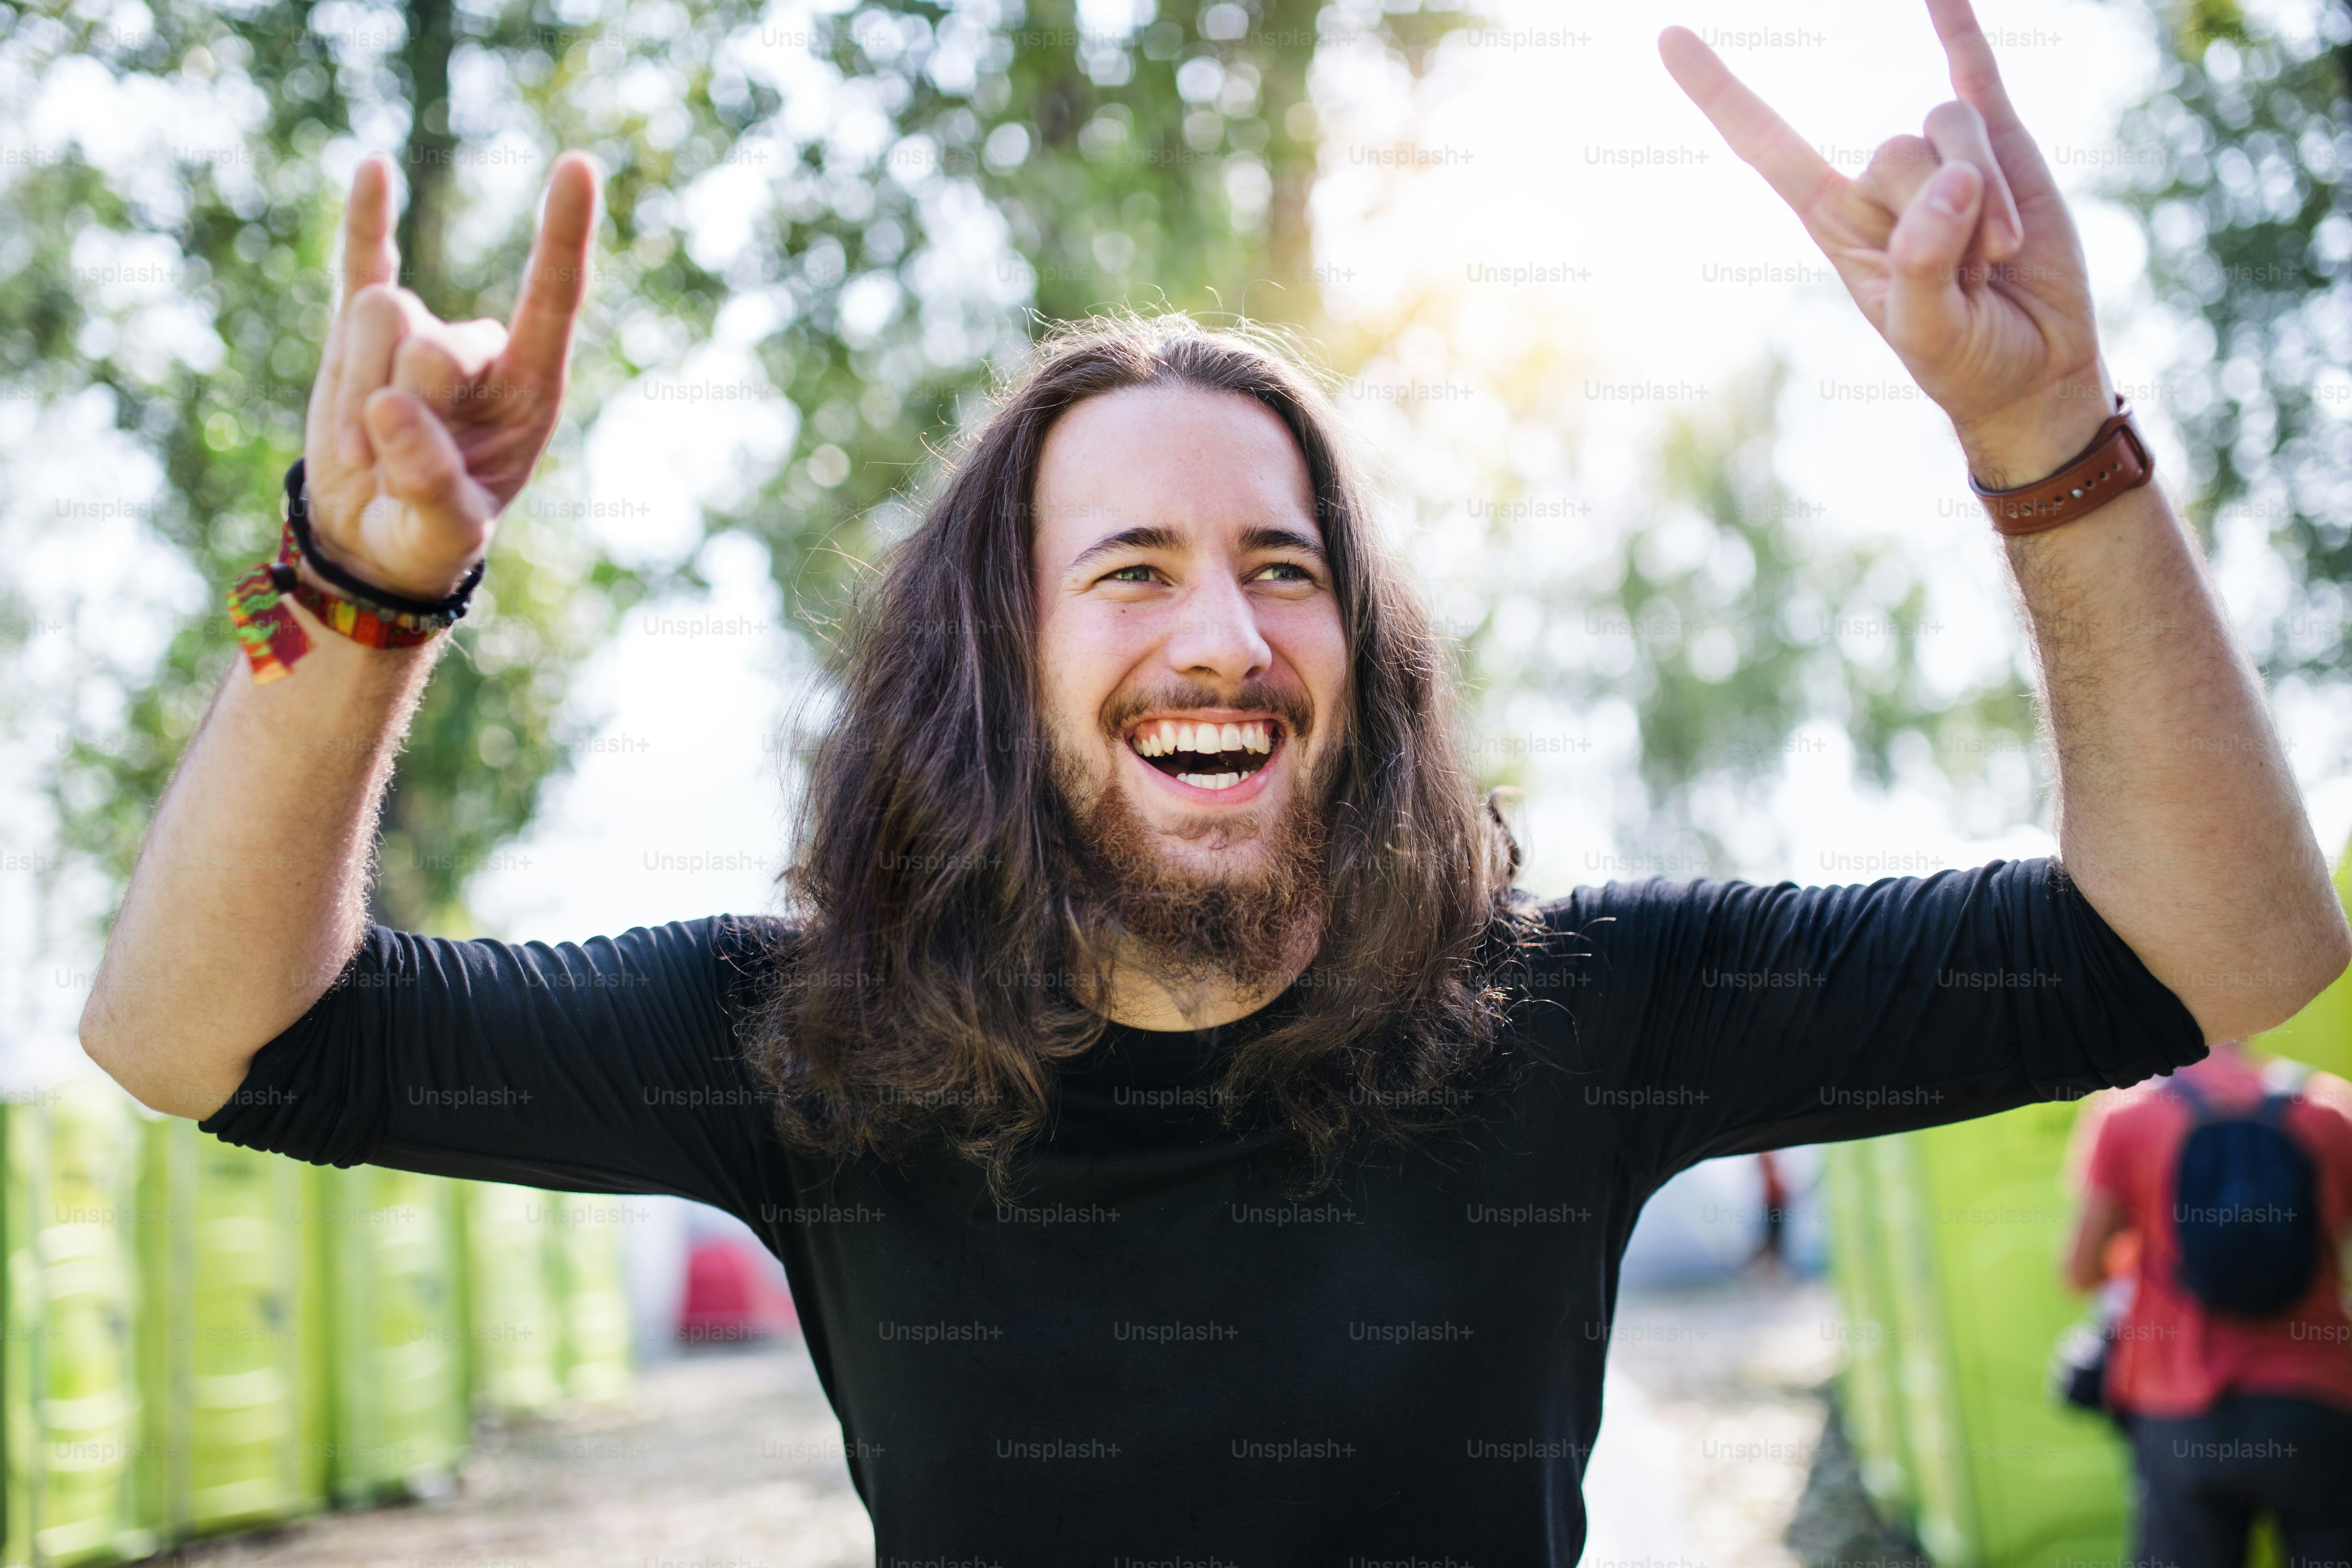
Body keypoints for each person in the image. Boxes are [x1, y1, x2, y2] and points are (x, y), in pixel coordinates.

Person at [76, 2, 2351, 1559]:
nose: (1224, 632)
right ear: (997, 657)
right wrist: (360, 587)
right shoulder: (798, 1046)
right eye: (1134, 569)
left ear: (1363, 661)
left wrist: (2049, 445)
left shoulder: (1571, 1011)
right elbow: (195, 1034)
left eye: (1287, 567)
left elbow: (2226, 946)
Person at [2064, 1041, 2352, 1566]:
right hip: (2318, 1401)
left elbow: (2079, 1271)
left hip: (2178, 1407)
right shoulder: (2330, 1109)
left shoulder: (2128, 1113)